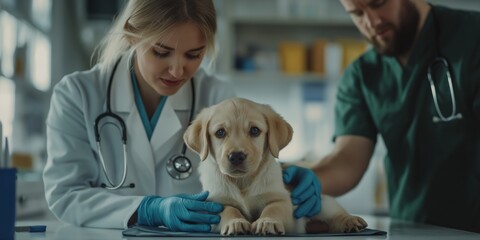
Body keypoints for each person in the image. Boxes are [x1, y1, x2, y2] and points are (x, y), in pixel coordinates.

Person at [43, 0, 322, 232]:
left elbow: (242, 178)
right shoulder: (77, 94)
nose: (177, 71)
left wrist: (282, 176)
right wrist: (147, 210)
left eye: (193, 54)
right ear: (131, 36)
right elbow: (66, 196)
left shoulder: (216, 95)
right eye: (161, 52)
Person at [309, 0, 480, 233]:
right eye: (357, 14)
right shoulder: (361, 76)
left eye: (378, 4)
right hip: (411, 228)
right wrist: (293, 180)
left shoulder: (472, 37)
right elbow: (348, 161)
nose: (371, 22)